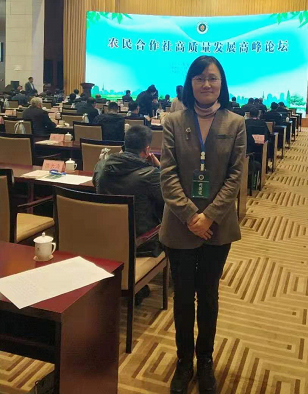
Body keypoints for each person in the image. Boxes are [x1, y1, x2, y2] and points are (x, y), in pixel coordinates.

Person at [160, 55, 245, 394]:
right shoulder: (173, 121)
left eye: (212, 78)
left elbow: (236, 176)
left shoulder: (236, 123)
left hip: (218, 226)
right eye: (199, 78)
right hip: (179, 225)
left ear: (222, 83)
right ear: (190, 83)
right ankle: (184, 361)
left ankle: (205, 359)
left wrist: (208, 216)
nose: (206, 84)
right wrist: (190, 216)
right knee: (183, 297)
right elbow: (167, 175)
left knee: (208, 295)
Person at [93, 125, 164, 258]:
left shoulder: (101, 167)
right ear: (147, 150)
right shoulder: (151, 175)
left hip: (106, 239)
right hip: (142, 245)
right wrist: (159, 167)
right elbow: (166, 200)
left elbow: (96, 184)